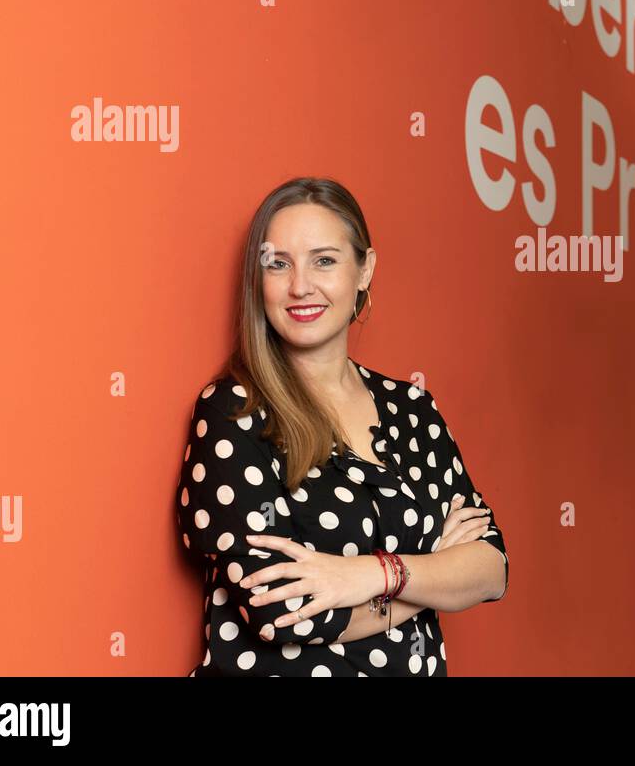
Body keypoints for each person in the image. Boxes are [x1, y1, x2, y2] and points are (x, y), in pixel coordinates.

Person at [174, 177, 509, 676]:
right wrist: (428, 576)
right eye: (278, 264)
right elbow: (281, 613)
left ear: (364, 270)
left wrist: (367, 574)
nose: (300, 286)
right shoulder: (233, 413)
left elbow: (490, 569)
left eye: (324, 260)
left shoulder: (412, 408)